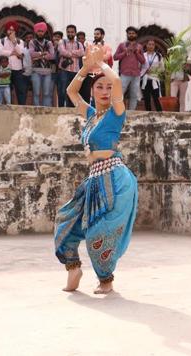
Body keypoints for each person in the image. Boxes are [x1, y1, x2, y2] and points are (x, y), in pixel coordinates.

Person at [56, 44, 138, 295]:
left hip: (116, 179)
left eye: (108, 87)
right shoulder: (91, 115)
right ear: (92, 90)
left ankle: (106, 280)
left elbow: (115, 81)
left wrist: (100, 64)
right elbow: (71, 91)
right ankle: (73, 269)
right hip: (94, 179)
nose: (104, 90)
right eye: (99, 86)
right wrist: (85, 68)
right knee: (66, 221)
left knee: (99, 232)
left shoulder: (116, 112)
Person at [113, 27, 145, 110]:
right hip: (124, 73)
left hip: (136, 74)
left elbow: (143, 61)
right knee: (120, 94)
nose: (131, 35)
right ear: (127, 34)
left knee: (134, 95)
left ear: (136, 35)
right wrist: (125, 52)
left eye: (133, 33)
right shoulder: (122, 45)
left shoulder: (139, 46)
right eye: (129, 33)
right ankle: (118, 111)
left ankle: (131, 113)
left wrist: (137, 53)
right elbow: (115, 57)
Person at [0, 21, 27, 105]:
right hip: (6, 69)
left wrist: (14, 42)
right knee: (7, 91)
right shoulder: (1, 41)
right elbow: (1, 52)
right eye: (9, 30)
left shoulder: (20, 41)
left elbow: (21, 52)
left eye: (12, 30)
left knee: (20, 91)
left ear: (15, 31)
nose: (10, 32)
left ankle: (22, 109)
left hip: (18, 69)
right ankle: (8, 108)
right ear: (6, 30)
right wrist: (12, 53)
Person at [58, 25, 85, 107]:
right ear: (66, 32)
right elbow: (62, 52)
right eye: (68, 32)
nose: (70, 33)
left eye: (72, 32)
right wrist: (74, 53)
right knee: (63, 90)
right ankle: (61, 108)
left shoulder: (79, 43)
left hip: (75, 71)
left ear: (75, 33)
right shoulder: (62, 42)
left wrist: (69, 52)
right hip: (64, 70)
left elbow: (82, 53)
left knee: (73, 91)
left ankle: (71, 108)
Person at [29, 22, 55, 106]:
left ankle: (46, 110)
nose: (40, 33)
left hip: (47, 72)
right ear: (36, 32)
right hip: (36, 71)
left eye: (42, 31)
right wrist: (43, 54)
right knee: (36, 93)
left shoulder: (49, 43)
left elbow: (52, 56)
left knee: (46, 93)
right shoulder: (32, 42)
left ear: (44, 32)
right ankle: (36, 110)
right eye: (38, 31)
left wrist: (38, 56)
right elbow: (31, 54)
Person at [140, 40, 163, 111]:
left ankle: (160, 115)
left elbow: (162, 68)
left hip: (154, 79)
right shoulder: (142, 55)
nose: (151, 46)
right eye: (149, 44)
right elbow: (139, 67)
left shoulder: (158, 55)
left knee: (157, 99)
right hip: (145, 79)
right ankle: (148, 115)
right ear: (146, 45)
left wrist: (154, 71)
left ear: (154, 46)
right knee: (146, 99)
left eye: (152, 44)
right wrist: (144, 71)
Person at [51, 31, 63, 105]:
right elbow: (52, 58)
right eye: (55, 37)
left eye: (59, 37)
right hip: (52, 71)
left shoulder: (63, 47)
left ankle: (61, 106)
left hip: (61, 71)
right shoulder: (50, 46)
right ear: (52, 38)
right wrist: (55, 48)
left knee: (61, 90)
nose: (57, 38)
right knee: (50, 90)